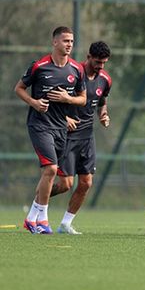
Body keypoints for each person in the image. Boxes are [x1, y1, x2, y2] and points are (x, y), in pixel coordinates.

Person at [15, 26, 87, 234]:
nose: (69, 44)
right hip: (39, 125)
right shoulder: (39, 66)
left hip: (60, 128)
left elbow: (83, 99)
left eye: (72, 41)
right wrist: (34, 103)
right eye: (65, 41)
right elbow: (19, 88)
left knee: (57, 178)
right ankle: (43, 220)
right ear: (54, 42)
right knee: (51, 170)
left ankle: (31, 219)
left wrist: (67, 99)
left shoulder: (76, 69)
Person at [48, 41, 112, 234]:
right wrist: (64, 118)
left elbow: (102, 102)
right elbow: (51, 99)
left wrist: (104, 114)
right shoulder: (73, 73)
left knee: (86, 183)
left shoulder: (105, 79)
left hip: (87, 137)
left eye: (104, 63)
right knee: (66, 184)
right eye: (98, 62)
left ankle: (66, 224)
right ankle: (38, 201)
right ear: (88, 56)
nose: (101, 66)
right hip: (66, 135)